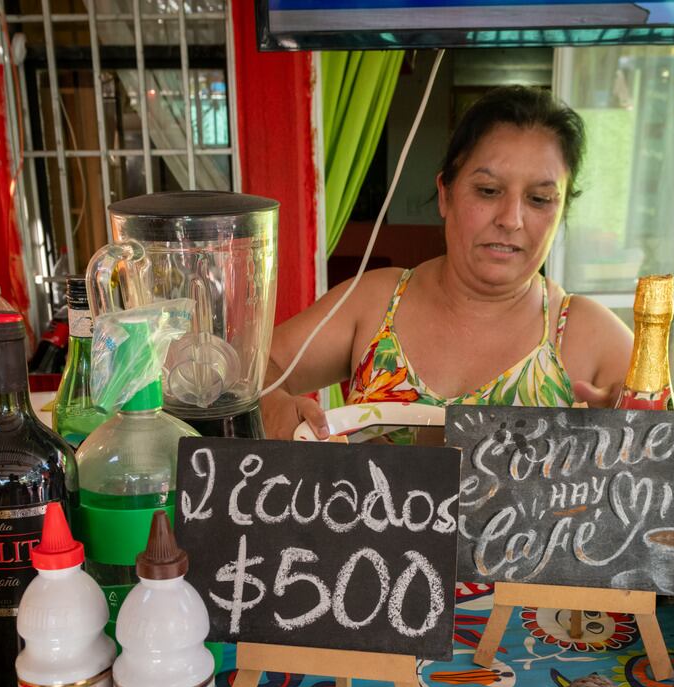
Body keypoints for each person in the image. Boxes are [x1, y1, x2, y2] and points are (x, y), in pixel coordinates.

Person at [262, 86, 635, 442]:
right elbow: (252, 367)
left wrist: (639, 430)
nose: (511, 219)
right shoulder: (375, 301)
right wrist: (271, 405)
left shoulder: (584, 333)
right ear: (446, 194)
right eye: (488, 191)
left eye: (539, 199)